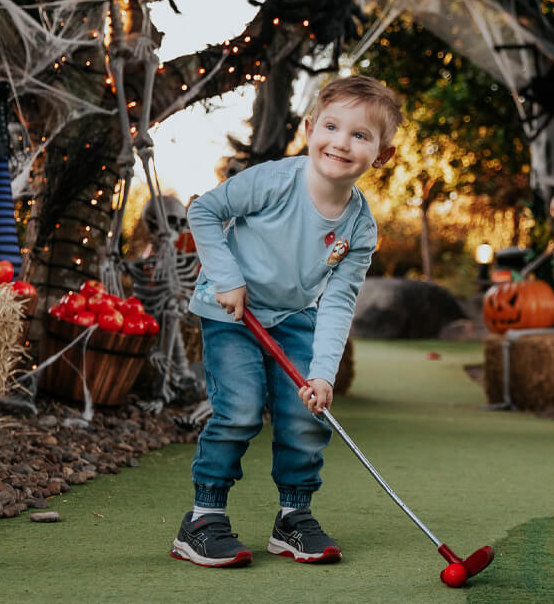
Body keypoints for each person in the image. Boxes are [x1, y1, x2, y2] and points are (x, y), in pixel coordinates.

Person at [170, 75, 402, 567]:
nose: (341, 142)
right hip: (233, 311)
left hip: (295, 316)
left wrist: (322, 373)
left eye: (360, 135)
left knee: (305, 413)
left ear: (382, 155)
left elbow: (338, 302)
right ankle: (202, 519)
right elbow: (206, 210)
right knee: (240, 410)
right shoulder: (276, 180)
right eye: (333, 127)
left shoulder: (359, 227)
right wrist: (228, 277)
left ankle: (292, 518)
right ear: (311, 126)